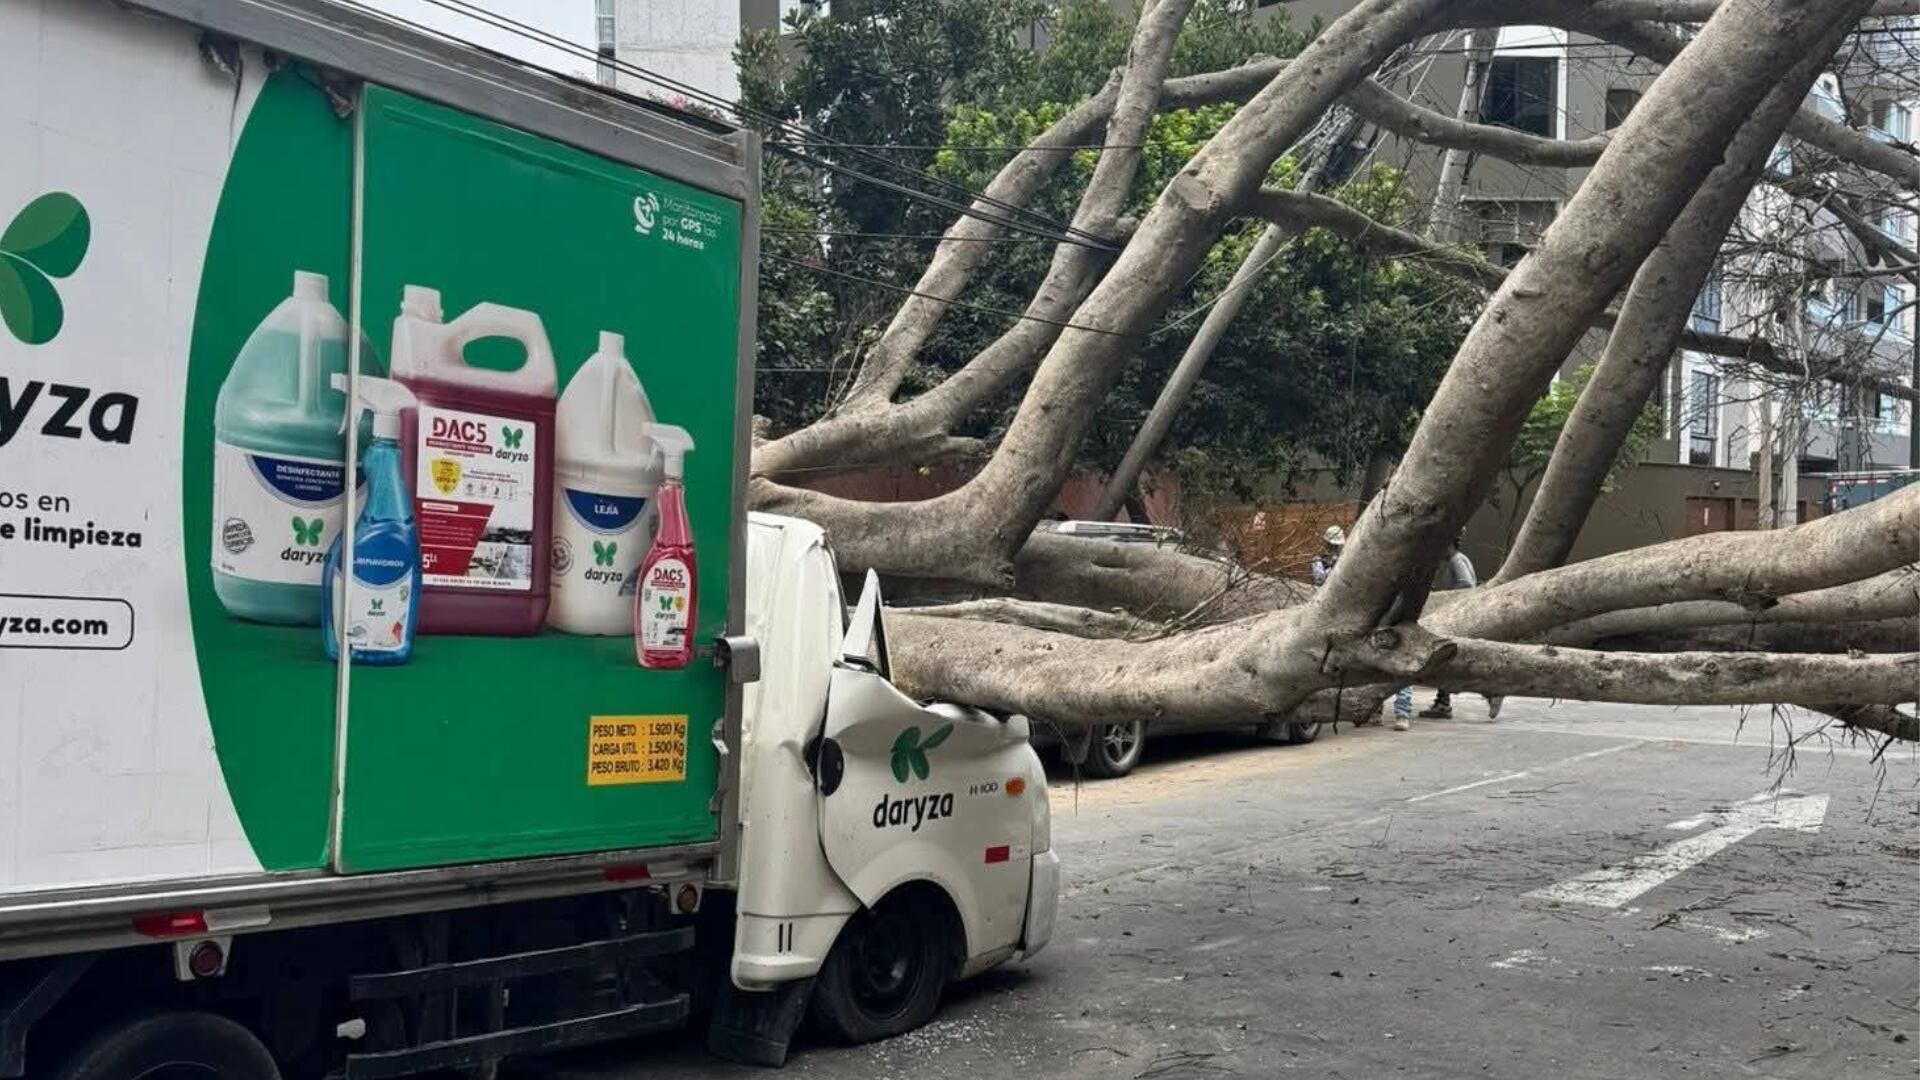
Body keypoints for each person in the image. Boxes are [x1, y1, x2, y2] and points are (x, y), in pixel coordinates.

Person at [1416, 538, 1504, 721]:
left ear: (1450, 544)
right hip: (1455, 615)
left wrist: (1443, 598)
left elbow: (1465, 585)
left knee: (1448, 662)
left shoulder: (1457, 561)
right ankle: (1446, 702)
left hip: (1456, 618)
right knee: (1446, 663)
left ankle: (1489, 691)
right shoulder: (1455, 560)